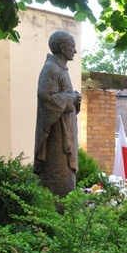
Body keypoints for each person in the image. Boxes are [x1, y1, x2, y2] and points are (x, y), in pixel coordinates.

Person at [33, 30, 82, 198]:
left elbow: (60, 94)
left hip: (65, 129)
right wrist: (70, 98)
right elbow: (45, 96)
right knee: (58, 171)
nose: (75, 51)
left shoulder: (61, 69)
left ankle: (65, 209)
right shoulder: (51, 69)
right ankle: (56, 209)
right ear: (63, 47)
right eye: (72, 47)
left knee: (66, 174)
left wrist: (74, 97)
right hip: (57, 135)